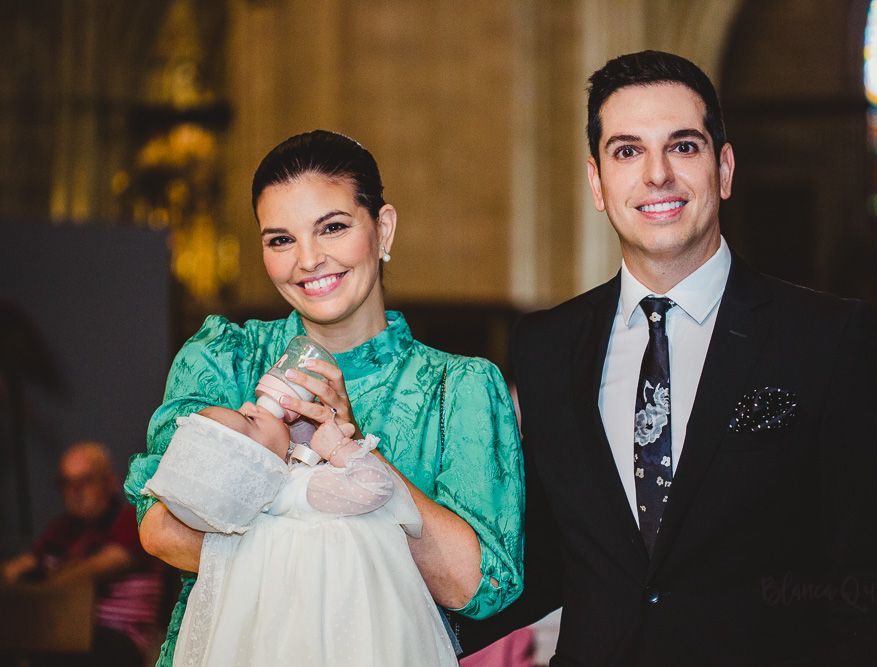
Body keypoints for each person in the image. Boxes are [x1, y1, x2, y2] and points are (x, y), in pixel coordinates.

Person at [462, 50, 877, 665]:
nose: (657, 176)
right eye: (627, 151)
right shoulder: (546, 345)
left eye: (682, 146)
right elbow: (541, 558)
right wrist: (398, 622)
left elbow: (874, 586)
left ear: (724, 169)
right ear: (597, 183)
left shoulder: (828, 338)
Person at [124, 130, 523, 666]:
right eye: (280, 240)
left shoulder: (460, 388)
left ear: (382, 229)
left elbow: (476, 585)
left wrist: (358, 452)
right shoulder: (225, 358)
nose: (309, 260)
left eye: (332, 228)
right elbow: (163, 529)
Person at [142, 402, 457, 666]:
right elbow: (376, 486)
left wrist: (301, 442)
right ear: (258, 461)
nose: (251, 404)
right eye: (250, 419)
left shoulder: (270, 499)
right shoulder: (299, 490)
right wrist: (337, 446)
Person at [2, 442, 163, 667]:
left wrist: (44, 575)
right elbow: (17, 569)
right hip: (64, 634)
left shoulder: (129, 522)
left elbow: (85, 574)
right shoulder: (61, 529)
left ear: (109, 482)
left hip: (119, 641)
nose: (74, 491)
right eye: (67, 483)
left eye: (85, 481)